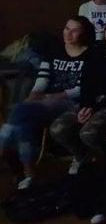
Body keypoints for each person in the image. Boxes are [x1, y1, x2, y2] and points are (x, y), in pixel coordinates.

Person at [47, 15, 106, 224]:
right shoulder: (96, 53)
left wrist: (95, 107)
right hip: (93, 104)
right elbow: (87, 84)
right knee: (59, 128)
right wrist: (85, 106)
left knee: (88, 132)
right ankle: (85, 158)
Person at [0, 16, 94, 190]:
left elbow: (87, 87)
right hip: (47, 100)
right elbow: (42, 79)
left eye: (74, 30)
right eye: (67, 28)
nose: (68, 33)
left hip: (73, 102)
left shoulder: (91, 55)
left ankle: (19, 164)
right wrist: (34, 95)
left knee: (18, 114)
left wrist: (58, 96)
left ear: (84, 34)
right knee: (23, 124)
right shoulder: (54, 51)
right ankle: (29, 173)